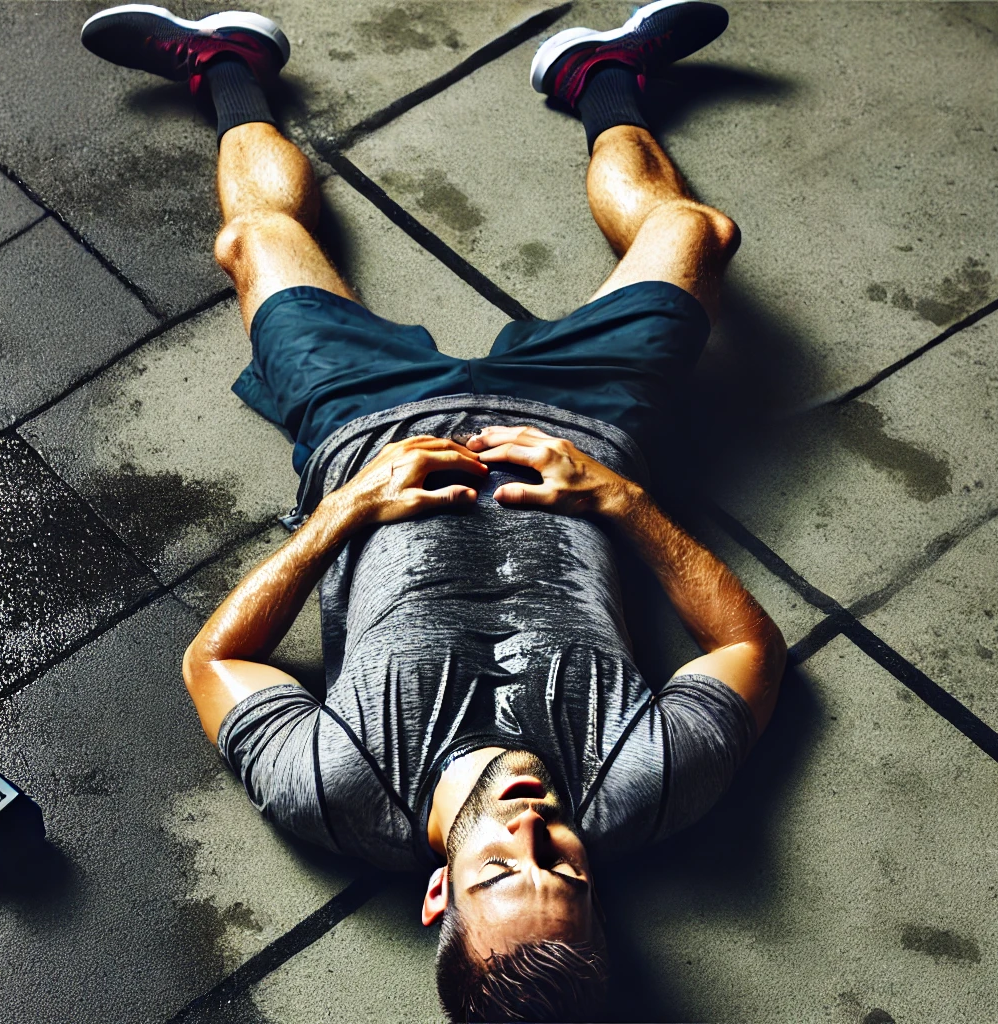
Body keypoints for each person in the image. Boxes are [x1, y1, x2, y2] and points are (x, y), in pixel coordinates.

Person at [80, 3, 784, 1020]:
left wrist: (347, 510)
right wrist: (620, 501)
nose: (535, 831)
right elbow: (749, 652)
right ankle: (600, 74)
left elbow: (214, 665)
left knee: (256, 238)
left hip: (367, 430)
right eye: (567, 870)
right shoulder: (642, 788)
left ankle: (226, 67)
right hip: (583, 425)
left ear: (437, 894)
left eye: (504, 869)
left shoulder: (339, 790)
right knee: (695, 231)